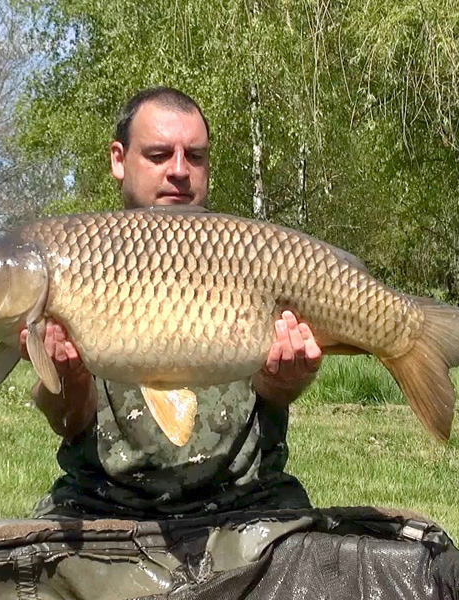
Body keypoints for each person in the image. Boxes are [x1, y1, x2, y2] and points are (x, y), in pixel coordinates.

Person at [20, 87, 324, 519]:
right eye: (159, 155)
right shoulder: (77, 261)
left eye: (195, 156)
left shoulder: (253, 256)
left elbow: (272, 396)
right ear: (118, 159)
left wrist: (288, 378)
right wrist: (68, 380)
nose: (179, 171)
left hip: (244, 501)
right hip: (105, 502)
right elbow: (68, 422)